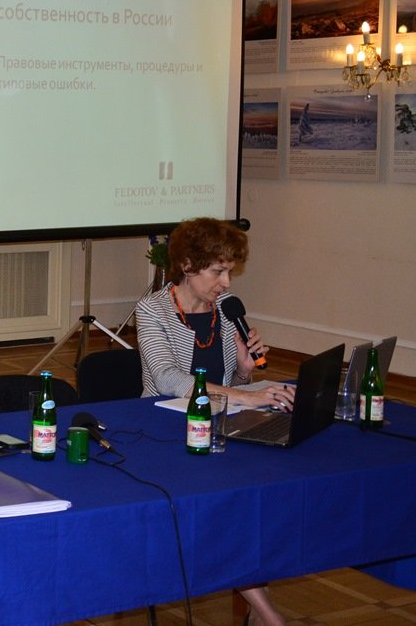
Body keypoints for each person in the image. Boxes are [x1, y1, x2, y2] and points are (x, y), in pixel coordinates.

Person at [135, 216, 289, 626]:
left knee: (256, 500)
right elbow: (168, 380)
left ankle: (263, 613)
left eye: (230, 272)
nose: (226, 283)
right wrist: (247, 395)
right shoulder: (152, 309)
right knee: (228, 510)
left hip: (221, 426)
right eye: (218, 271)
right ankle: (269, 616)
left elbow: (231, 381)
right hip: (165, 433)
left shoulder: (225, 308)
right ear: (187, 265)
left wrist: (244, 370)